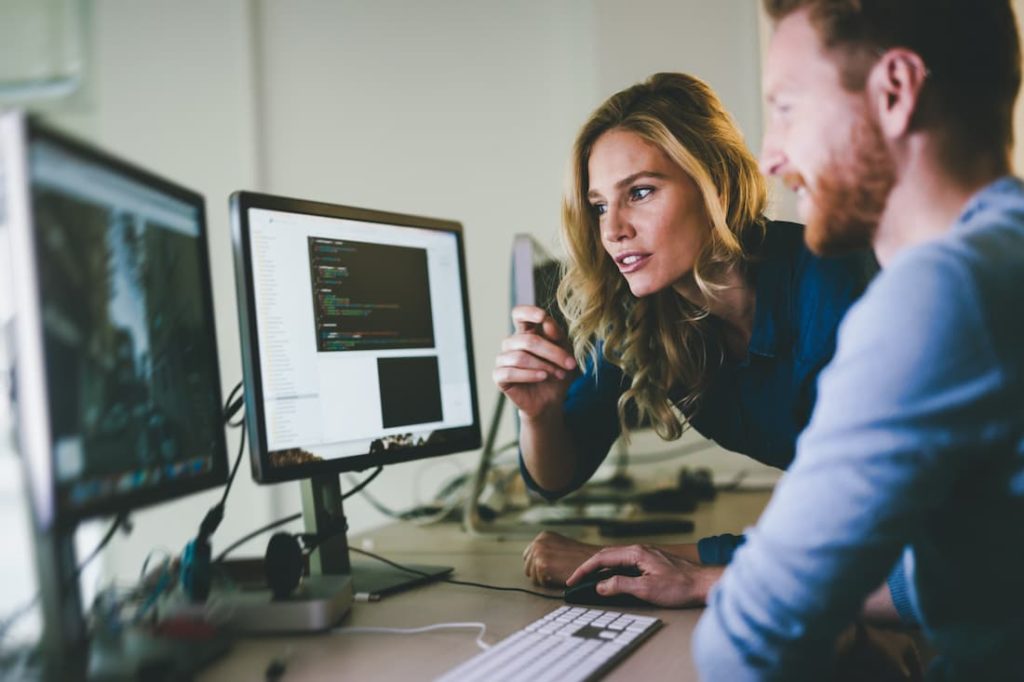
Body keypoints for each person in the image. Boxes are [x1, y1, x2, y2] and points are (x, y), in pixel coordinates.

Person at [573, 1, 1024, 678]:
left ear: (895, 93)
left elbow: (747, 645)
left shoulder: (939, 294)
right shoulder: (1002, 256)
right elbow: (972, 563)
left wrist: (734, 589)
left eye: (787, 107)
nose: (772, 156)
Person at [493, 73, 893, 613]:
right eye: (598, 206)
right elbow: (557, 477)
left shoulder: (837, 284)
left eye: (640, 192)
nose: (612, 230)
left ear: (717, 187)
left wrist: (670, 560)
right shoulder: (642, 311)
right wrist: (539, 415)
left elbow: (860, 535)